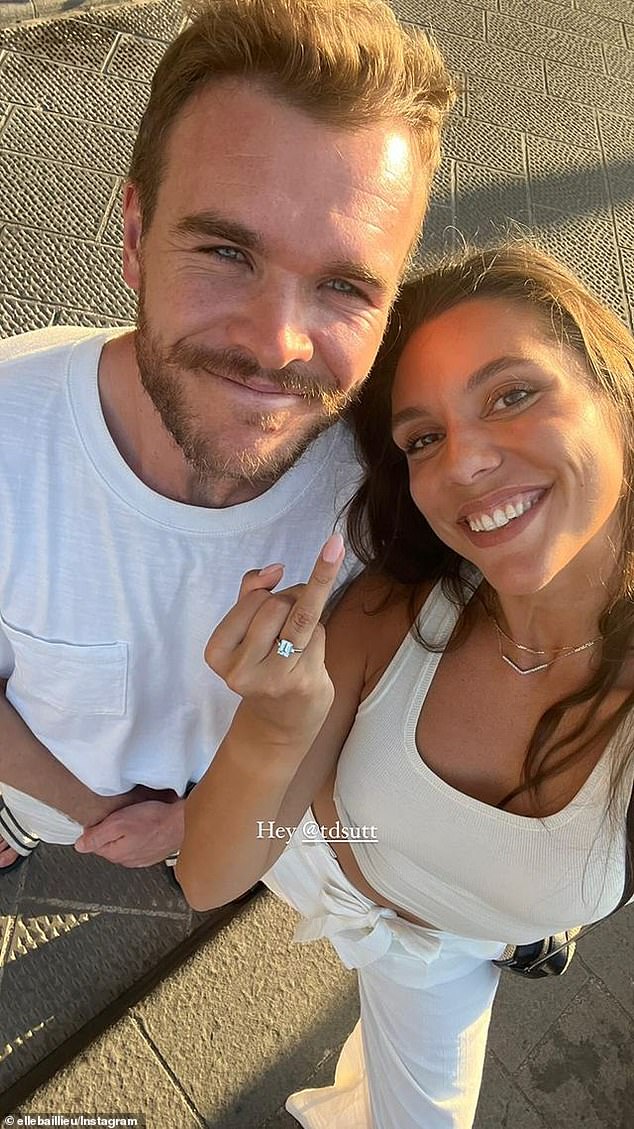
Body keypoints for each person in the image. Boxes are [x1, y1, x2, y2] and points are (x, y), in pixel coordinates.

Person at [177, 241, 634, 1128]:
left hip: (441, 952)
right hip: (313, 858)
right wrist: (273, 733)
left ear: (616, 399)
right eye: (424, 437)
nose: (462, 464)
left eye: (513, 394)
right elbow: (211, 875)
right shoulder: (394, 617)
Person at [0, 0, 456, 872]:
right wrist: (85, 811)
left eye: (345, 287)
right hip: (46, 793)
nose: (275, 344)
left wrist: (195, 828)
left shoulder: (398, 491)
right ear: (134, 237)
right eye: (225, 253)